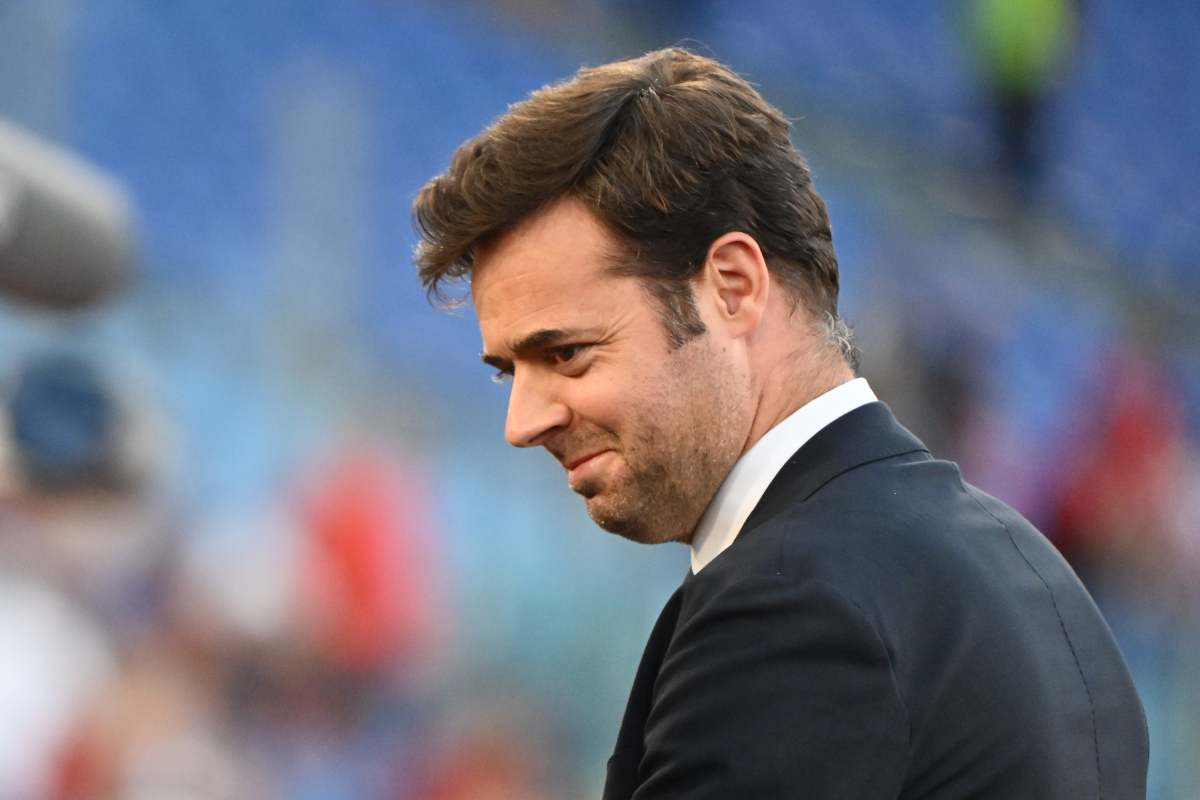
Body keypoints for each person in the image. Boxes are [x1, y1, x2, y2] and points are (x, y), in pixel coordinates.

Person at [412, 48, 1148, 799]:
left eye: (566, 354)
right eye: (508, 372)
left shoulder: (790, 601)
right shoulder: (1035, 576)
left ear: (733, 287)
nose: (521, 423)